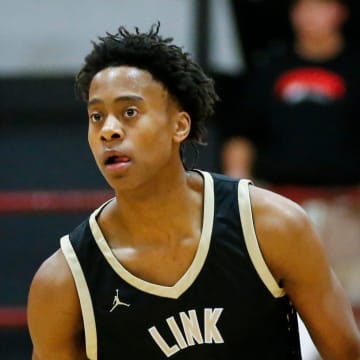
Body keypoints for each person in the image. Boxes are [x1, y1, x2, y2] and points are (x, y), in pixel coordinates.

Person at [27, 23, 360, 360]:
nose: (109, 130)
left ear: (180, 125)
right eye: (96, 116)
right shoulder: (63, 283)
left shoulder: (271, 226)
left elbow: (346, 353)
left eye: (129, 112)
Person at [221, 0, 360, 324]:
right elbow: (242, 133)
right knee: (273, 300)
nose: (311, 17)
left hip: (347, 208)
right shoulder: (269, 68)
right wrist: (238, 188)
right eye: (304, 8)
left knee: (349, 304)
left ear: (340, 12)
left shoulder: (356, 67)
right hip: (279, 205)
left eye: (320, 7)